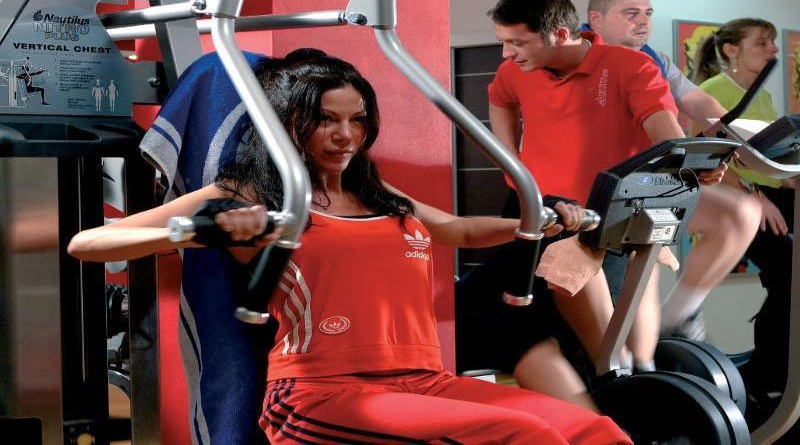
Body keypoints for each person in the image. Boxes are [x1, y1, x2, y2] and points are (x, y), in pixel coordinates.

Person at [68, 53, 631, 445]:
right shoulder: (251, 192)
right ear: (288, 122)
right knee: (524, 435)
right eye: (326, 120)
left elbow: (458, 230)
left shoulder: (375, 190)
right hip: (318, 393)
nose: (346, 136)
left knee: (593, 430)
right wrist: (197, 231)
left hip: (423, 379)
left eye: (357, 120)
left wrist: (537, 223)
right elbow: (88, 243)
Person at [483, 0, 738, 390]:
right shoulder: (514, 71)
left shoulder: (629, 66)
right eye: (503, 41)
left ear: (559, 35)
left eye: (517, 42)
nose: (506, 53)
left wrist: (689, 167)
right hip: (539, 210)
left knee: (609, 352)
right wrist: (512, 165)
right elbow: (501, 98)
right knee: (532, 336)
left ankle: (632, 398)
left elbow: (666, 134)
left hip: (604, 217)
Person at [586, 0, 761, 345]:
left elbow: (698, 102)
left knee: (740, 214)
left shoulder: (654, 58)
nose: (643, 22)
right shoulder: (579, 55)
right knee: (635, 286)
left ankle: (679, 316)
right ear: (596, 19)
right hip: (598, 188)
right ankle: (634, 356)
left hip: (649, 183)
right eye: (630, 13)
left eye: (647, 13)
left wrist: (746, 136)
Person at [693, 18, 793, 424]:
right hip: (739, 200)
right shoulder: (713, 92)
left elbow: (767, 158)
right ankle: (766, 376)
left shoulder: (762, 96)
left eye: (773, 42)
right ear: (731, 50)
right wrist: (754, 196)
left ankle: (775, 371)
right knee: (787, 273)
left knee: (790, 284)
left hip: (774, 196)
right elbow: (710, 156)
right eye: (762, 43)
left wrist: (788, 181)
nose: (773, 50)